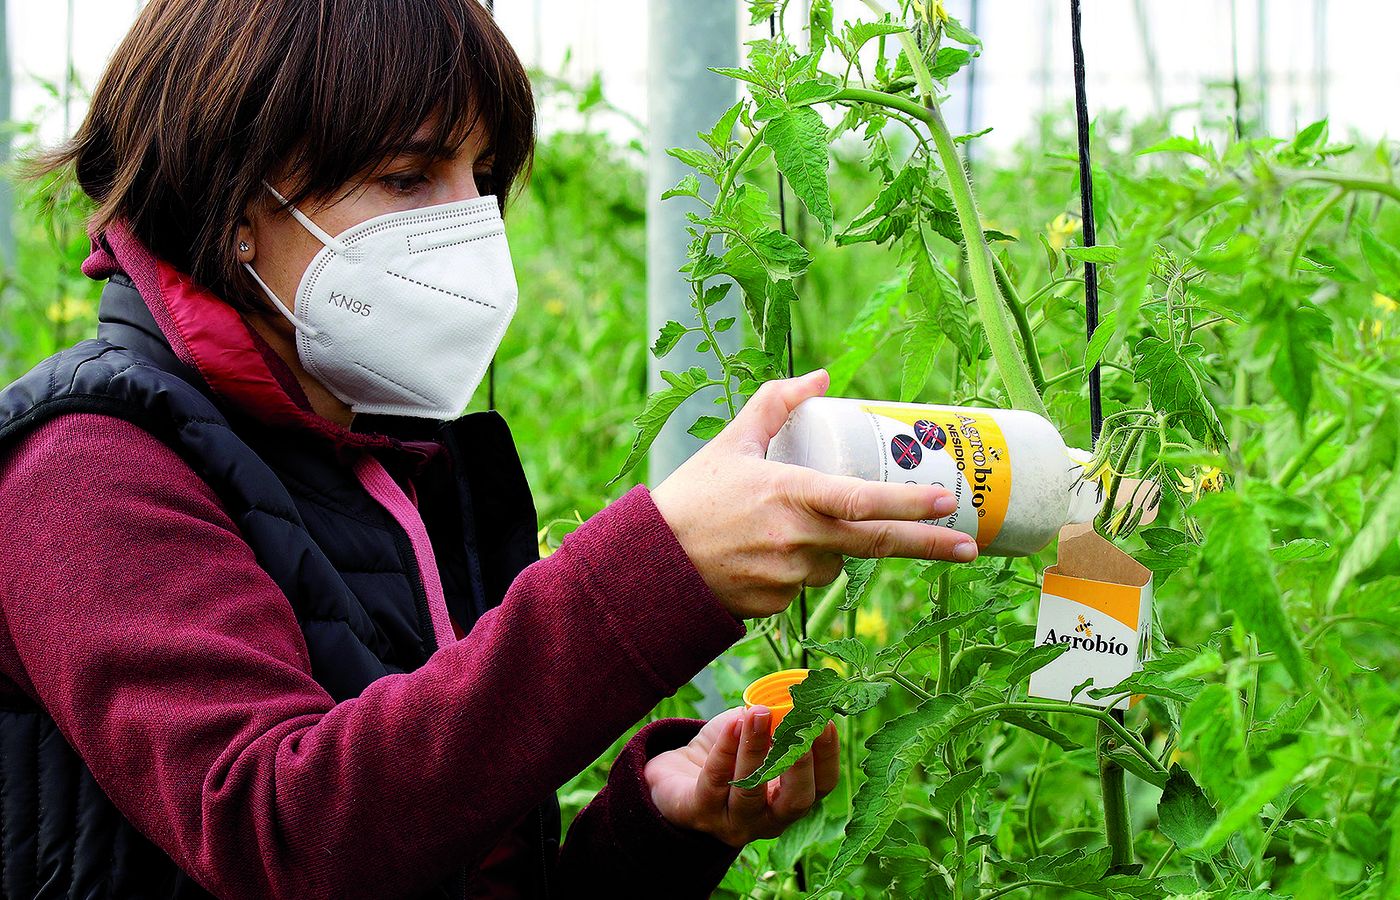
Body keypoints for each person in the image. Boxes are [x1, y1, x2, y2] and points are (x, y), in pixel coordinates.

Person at [0, 1, 977, 898]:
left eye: (483, 178)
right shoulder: (87, 470)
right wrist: (652, 570)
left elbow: (423, 849)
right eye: (406, 175)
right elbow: (277, 837)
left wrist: (656, 825)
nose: (470, 224)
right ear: (237, 204)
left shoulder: (384, 464)